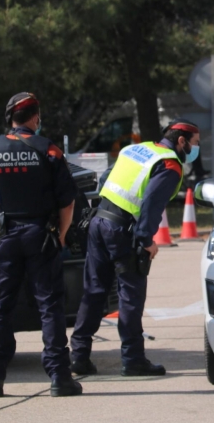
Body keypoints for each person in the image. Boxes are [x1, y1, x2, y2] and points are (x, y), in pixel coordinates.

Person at [0, 92, 82, 398]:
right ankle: (59, 378)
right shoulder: (50, 151)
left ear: (11, 119)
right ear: (35, 118)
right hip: (41, 236)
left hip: (4, 238)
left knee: (0, 308)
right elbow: (67, 202)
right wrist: (60, 235)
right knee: (49, 307)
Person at [69, 119, 201, 376]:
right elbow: (151, 205)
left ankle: (79, 356)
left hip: (99, 221)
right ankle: (133, 360)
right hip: (123, 231)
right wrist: (146, 242)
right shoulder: (169, 166)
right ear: (181, 141)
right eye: (195, 144)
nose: (195, 150)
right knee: (130, 296)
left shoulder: (135, 149)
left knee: (94, 291)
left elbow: (107, 179)